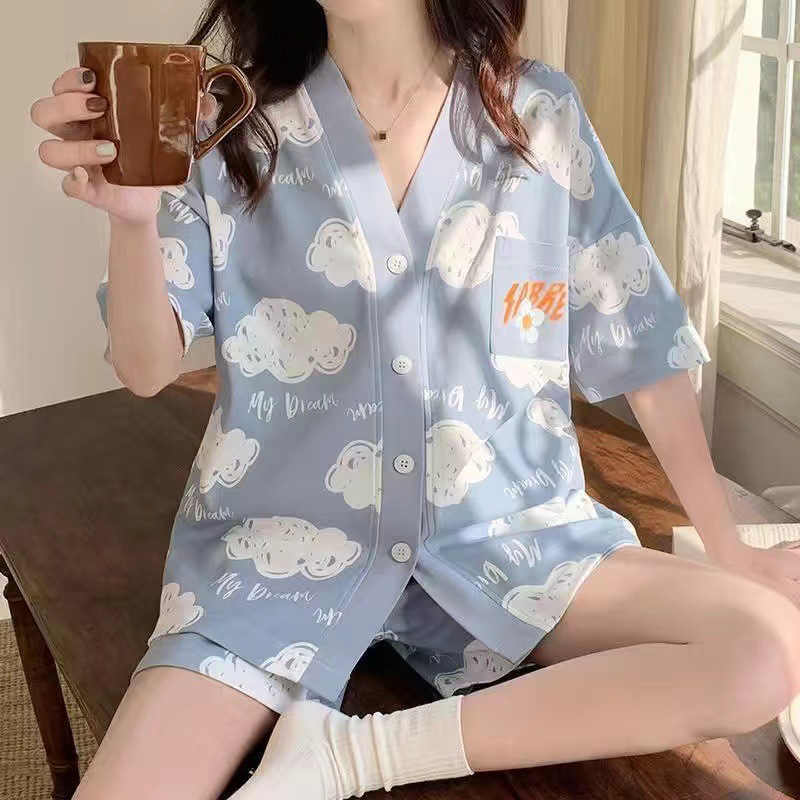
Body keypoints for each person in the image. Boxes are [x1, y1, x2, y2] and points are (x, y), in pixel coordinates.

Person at [30, 1, 800, 798]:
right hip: (278, 557)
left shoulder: (540, 115)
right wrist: (132, 219)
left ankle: (349, 756)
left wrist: (729, 547)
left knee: (764, 650)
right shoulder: (226, 127)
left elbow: (640, 339)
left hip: (512, 541)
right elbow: (145, 366)